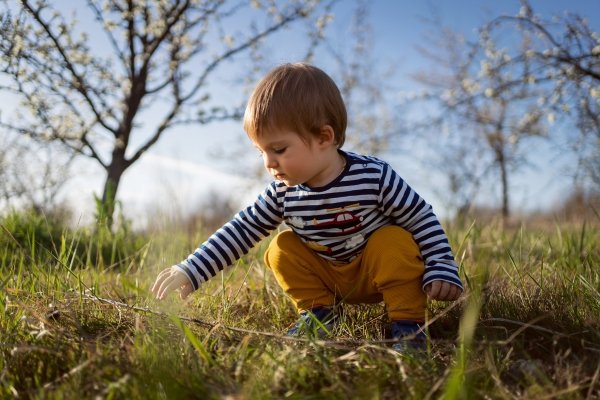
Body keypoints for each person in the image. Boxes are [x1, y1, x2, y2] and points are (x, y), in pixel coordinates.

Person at [152, 63, 463, 351]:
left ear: (323, 137)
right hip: (328, 276)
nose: (269, 163)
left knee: (393, 240)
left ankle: (408, 328)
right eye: (260, 152)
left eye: (279, 149)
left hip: (376, 273)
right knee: (280, 247)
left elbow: (420, 216)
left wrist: (441, 263)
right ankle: (320, 315)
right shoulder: (282, 193)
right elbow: (241, 230)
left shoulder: (373, 175)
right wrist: (192, 270)